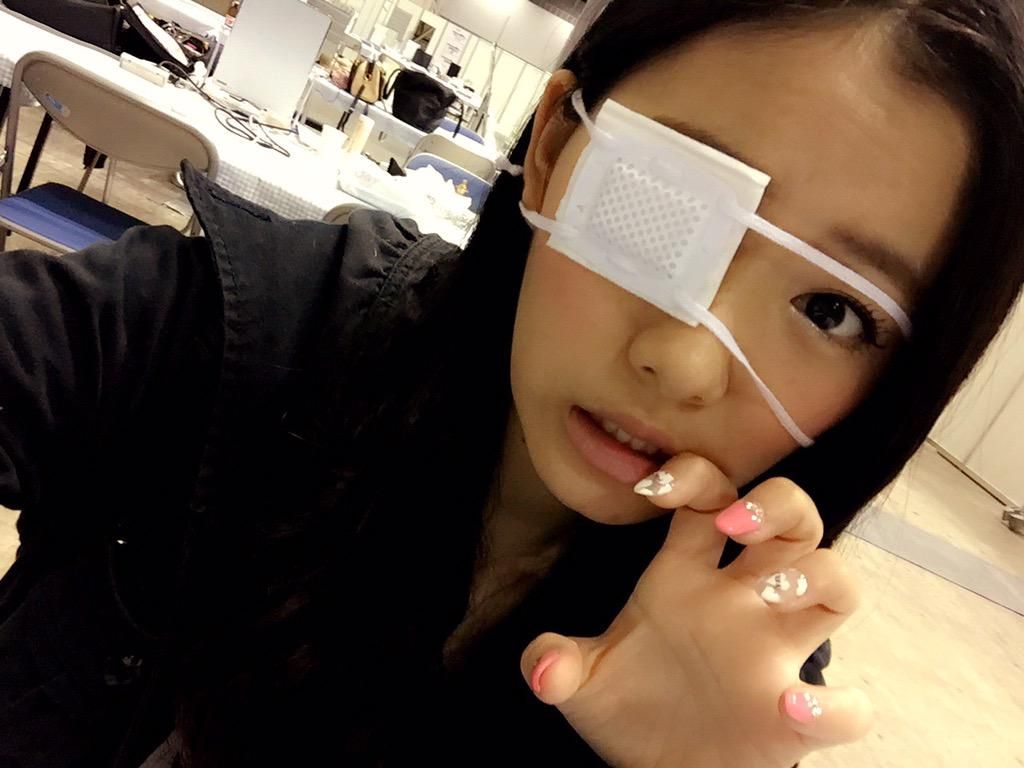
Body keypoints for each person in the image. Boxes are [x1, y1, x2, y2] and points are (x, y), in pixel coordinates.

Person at [1, 1, 1022, 766]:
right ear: (552, 151)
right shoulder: (254, 325)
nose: (685, 361)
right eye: (664, 203)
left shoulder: (735, 673)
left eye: (833, 311)